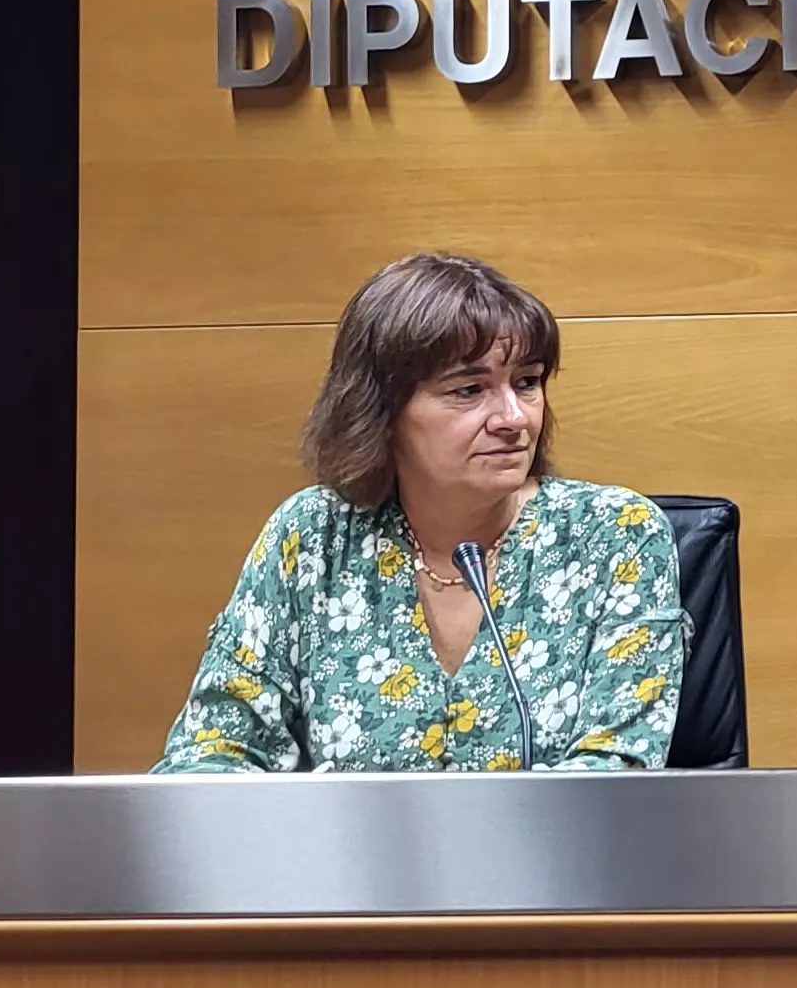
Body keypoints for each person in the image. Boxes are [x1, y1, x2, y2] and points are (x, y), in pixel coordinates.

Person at [155, 254, 687, 772]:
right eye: (469, 390)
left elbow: (618, 773)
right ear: (381, 411)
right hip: (343, 862)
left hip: (552, 861)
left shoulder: (615, 535)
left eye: (527, 382)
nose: (512, 418)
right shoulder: (314, 537)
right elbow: (212, 753)